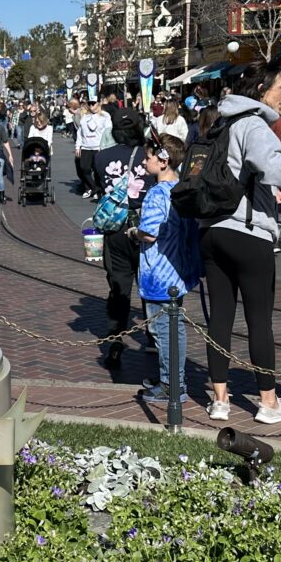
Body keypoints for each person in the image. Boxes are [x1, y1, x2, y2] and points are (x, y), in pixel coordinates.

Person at [201, 65, 281, 423]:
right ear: (263, 89)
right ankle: (268, 402)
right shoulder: (254, 124)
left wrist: (271, 194)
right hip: (248, 233)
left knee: (220, 316)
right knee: (259, 319)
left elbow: (242, 173)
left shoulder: (221, 122)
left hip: (213, 229)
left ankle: (220, 400)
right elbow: (269, 164)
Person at [133, 136, 199, 404]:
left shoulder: (157, 193)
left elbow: (149, 233)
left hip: (158, 272)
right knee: (174, 328)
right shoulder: (183, 189)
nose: (144, 161)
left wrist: (134, 232)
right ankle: (172, 380)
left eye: (148, 157)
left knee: (164, 332)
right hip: (178, 270)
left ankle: (172, 385)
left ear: (163, 161)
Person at [94, 112, 152, 368]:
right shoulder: (149, 155)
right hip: (145, 226)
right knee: (148, 283)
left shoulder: (101, 157)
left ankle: (115, 338)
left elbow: (96, 182)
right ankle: (153, 336)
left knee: (119, 285)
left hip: (115, 228)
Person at [75, 100, 109, 198]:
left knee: (97, 169)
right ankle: (92, 188)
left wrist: (105, 145)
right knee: (83, 168)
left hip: (98, 146)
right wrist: (78, 146)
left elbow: (108, 131)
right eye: (89, 104)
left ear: (98, 104)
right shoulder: (85, 117)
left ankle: (98, 190)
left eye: (93, 104)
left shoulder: (104, 116)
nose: (91, 106)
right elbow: (80, 133)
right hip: (86, 146)